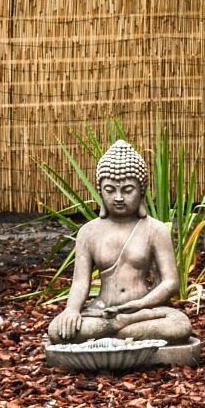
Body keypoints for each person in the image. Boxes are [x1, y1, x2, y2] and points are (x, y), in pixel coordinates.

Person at [47, 140, 194, 345]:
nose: (118, 197)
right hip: (102, 312)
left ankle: (115, 330)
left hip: (144, 310)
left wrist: (140, 304)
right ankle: (121, 329)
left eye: (127, 190)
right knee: (57, 330)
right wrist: (71, 310)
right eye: (110, 189)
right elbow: (81, 282)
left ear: (141, 191)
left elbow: (170, 282)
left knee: (179, 325)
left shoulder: (155, 229)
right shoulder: (88, 232)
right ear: (100, 191)